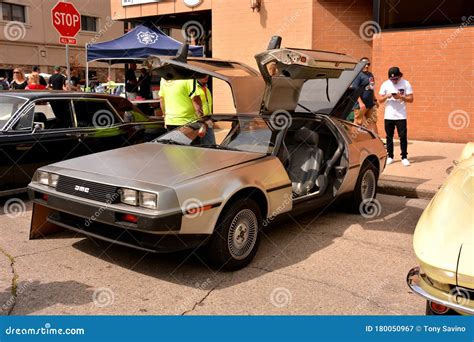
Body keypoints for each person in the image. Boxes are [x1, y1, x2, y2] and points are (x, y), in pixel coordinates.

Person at [379, 67, 414, 167]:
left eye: (395, 79)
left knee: (403, 137)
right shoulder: (385, 84)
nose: (394, 81)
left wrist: (401, 97)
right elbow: (380, 100)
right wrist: (387, 96)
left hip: (401, 116)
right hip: (389, 115)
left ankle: (404, 157)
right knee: (389, 137)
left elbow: (411, 99)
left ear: (400, 76)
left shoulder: (406, 83)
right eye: (392, 79)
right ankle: (390, 156)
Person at [351, 57, 378, 134]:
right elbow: (355, 90)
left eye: (368, 64)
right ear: (360, 64)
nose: (366, 66)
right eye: (364, 64)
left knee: (373, 121)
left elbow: (372, 88)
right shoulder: (358, 75)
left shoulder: (370, 75)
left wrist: (375, 100)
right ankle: (352, 141)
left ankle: (377, 140)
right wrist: (360, 103)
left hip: (370, 103)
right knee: (358, 122)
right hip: (361, 105)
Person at [192, 75, 215, 145]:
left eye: (207, 75)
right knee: (203, 144)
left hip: (208, 120)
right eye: (203, 75)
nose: (207, 76)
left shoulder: (206, 89)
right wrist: (202, 122)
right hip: (200, 121)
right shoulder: (194, 88)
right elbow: (195, 105)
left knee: (211, 143)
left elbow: (209, 105)